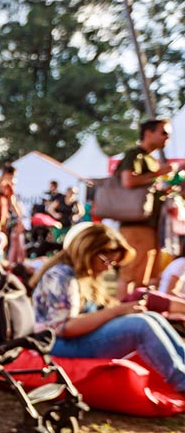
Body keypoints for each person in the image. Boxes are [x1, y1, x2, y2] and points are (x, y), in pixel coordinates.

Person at [30, 223, 185, 394]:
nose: (108, 267)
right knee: (141, 325)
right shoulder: (61, 275)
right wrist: (117, 311)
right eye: (107, 261)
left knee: (152, 318)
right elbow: (64, 328)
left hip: (71, 338)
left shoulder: (81, 274)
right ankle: (182, 382)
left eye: (114, 263)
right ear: (89, 251)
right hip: (56, 344)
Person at [114, 119, 177, 299]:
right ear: (148, 133)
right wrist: (159, 173)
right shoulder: (134, 155)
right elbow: (128, 181)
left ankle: (137, 312)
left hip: (151, 225)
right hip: (135, 225)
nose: (167, 137)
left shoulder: (150, 160)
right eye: (164, 132)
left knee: (145, 277)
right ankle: (123, 316)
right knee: (129, 275)